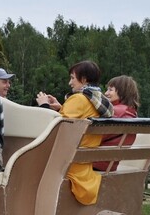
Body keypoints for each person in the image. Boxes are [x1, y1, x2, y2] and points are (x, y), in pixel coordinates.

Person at [36, 60, 113, 205]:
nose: (70, 83)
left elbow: (55, 128)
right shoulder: (98, 101)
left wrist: (44, 105)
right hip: (83, 163)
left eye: (72, 78)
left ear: (83, 79)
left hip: (69, 163)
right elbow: (74, 117)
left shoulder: (78, 99)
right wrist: (60, 107)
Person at [93, 75, 140, 172]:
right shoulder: (132, 114)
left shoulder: (114, 112)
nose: (106, 93)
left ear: (122, 92)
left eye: (110, 90)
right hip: (109, 165)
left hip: (93, 162)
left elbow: (94, 136)